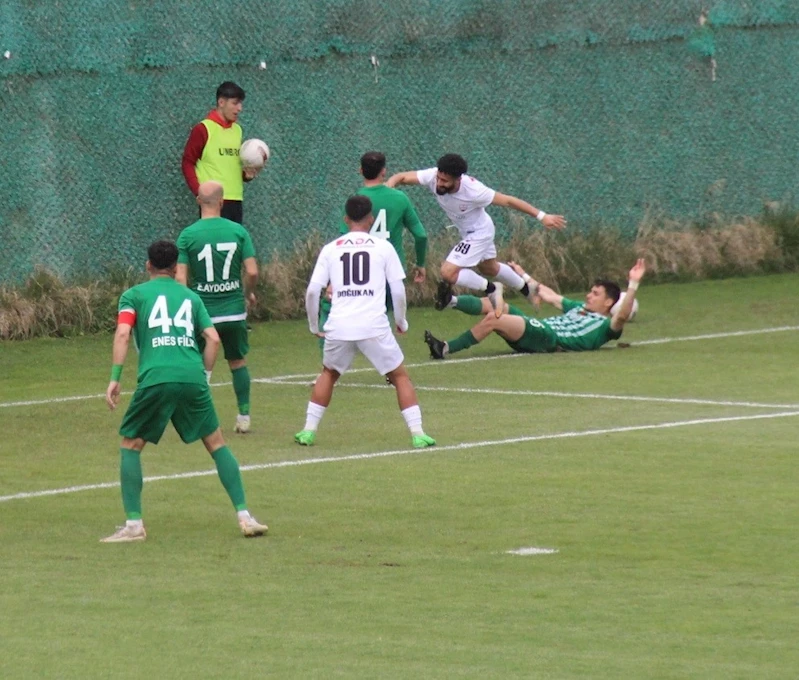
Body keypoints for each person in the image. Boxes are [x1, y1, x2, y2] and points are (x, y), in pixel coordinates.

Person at [102, 240, 268, 543]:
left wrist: (115, 377)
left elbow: (124, 332)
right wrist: (203, 375)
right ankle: (245, 516)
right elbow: (213, 339)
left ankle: (134, 525)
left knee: (131, 445)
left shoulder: (133, 295)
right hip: (192, 375)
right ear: (176, 267)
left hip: (156, 377)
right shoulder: (191, 297)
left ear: (148, 265)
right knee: (217, 443)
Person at [295, 195, 435, 449]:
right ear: (370, 219)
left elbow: (313, 292)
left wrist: (314, 326)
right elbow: (398, 291)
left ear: (345, 219)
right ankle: (417, 433)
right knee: (400, 377)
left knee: (329, 373)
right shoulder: (383, 248)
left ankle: (308, 431)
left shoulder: (331, 248)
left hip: (339, 325)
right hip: (373, 325)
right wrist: (401, 321)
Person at [386, 153, 567, 318]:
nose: (439, 183)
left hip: (479, 233)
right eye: (439, 178)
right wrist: (389, 186)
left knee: (447, 272)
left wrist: (542, 216)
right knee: (490, 268)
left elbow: (509, 200)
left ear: (458, 179)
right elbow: (401, 177)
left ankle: (492, 288)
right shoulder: (433, 176)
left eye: (445, 181)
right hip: (473, 230)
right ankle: (529, 289)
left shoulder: (474, 190)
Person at [318, 151, 429, 354]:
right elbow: (421, 235)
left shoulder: (356, 201)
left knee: (329, 309)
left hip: (358, 272)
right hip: (389, 272)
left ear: (360, 171)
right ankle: (389, 368)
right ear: (384, 171)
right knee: (380, 319)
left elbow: (343, 242)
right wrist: (420, 263)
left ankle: (328, 365)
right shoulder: (400, 198)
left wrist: (332, 279)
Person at [424, 259, 646, 359]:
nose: (588, 295)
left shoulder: (607, 327)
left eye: (595, 294)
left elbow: (622, 316)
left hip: (550, 339)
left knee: (495, 318)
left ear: (609, 303)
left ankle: (444, 349)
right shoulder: (580, 307)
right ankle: (450, 300)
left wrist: (633, 284)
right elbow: (549, 294)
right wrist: (524, 275)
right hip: (540, 329)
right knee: (501, 306)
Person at [176, 181, 258, 434]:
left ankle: (197, 415)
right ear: (222, 203)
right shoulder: (238, 231)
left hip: (204, 314)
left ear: (198, 201)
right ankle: (244, 416)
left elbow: (180, 279)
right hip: (233, 309)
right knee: (237, 362)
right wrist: (247, 293)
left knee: (196, 365)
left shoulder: (188, 235)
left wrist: (190, 306)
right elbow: (252, 271)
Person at [181, 81, 267, 224]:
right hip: (212, 203)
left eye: (241, 104)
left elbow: (230, 164)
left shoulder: (237, 130)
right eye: (235, 103)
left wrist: (247, 175)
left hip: (236, 200)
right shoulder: (203, 129)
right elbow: (187, 162)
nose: (239, 108)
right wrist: (200, 193)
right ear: (221, 102)